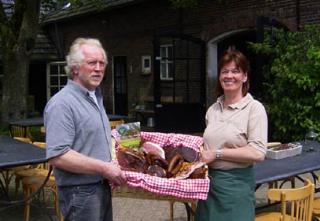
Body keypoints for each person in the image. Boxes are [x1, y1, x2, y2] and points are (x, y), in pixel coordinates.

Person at [44, 37, 127, 221]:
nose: (98, 68)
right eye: (92, 63)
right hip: (80, 192)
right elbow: (58, 155)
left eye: (102, 63)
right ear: (74, 68)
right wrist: (104, 168)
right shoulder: (62, 103)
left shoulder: (95, 98)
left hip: (101, 186)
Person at [195, 48, 268, 221]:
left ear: (244, 76)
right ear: (219, 77)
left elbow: (258, 152)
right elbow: (207, 145)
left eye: (235, 71)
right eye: (225, 71)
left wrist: (217, 153)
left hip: (236, 187)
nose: (229, 76)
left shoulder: (254, 108)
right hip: (209, 187)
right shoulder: (213, 109)